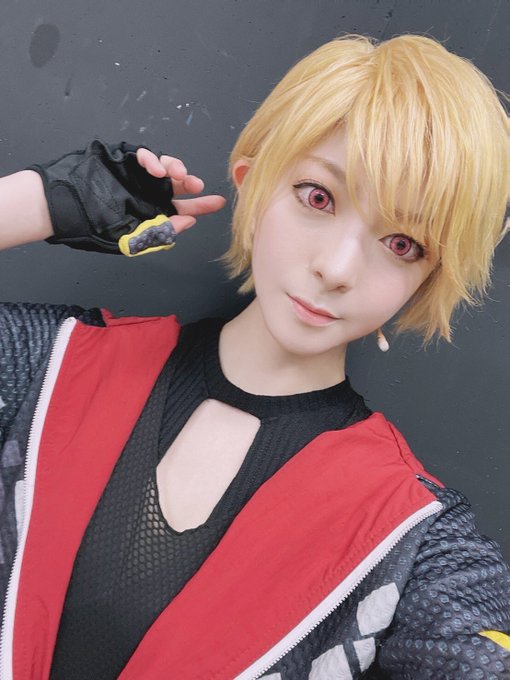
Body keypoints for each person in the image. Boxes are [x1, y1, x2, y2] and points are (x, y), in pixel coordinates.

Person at [0, 32, 509, 680]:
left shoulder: (412, 534)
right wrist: (37, 203)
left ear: (426, 279)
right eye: (318, 197)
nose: (337, 268)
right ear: (253, 183)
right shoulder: (50, 364)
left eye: (402, 243)